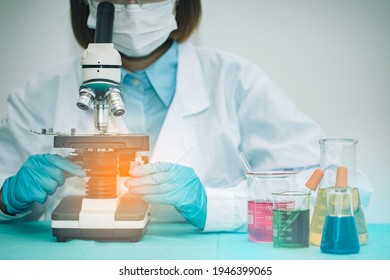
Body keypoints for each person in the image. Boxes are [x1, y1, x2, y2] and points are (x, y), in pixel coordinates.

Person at [0, 0, 372, 231]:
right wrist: (7, 195)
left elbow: (335, 187)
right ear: (88, 5)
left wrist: (215, 204)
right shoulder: (37, 94)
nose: (131, 4)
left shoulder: (235, 82)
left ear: (180, 3)